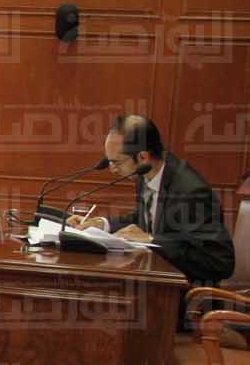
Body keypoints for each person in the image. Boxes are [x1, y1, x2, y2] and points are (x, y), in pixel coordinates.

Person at [68, 114, 234, 285]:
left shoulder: (190, 192)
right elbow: (147, 219)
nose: (112, 169)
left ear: (143, 157)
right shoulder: (146, 173)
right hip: (155, 280)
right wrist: (104, 225)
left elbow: (220, 262)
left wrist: (152, 241)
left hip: (185, 290)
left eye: (117, 163)